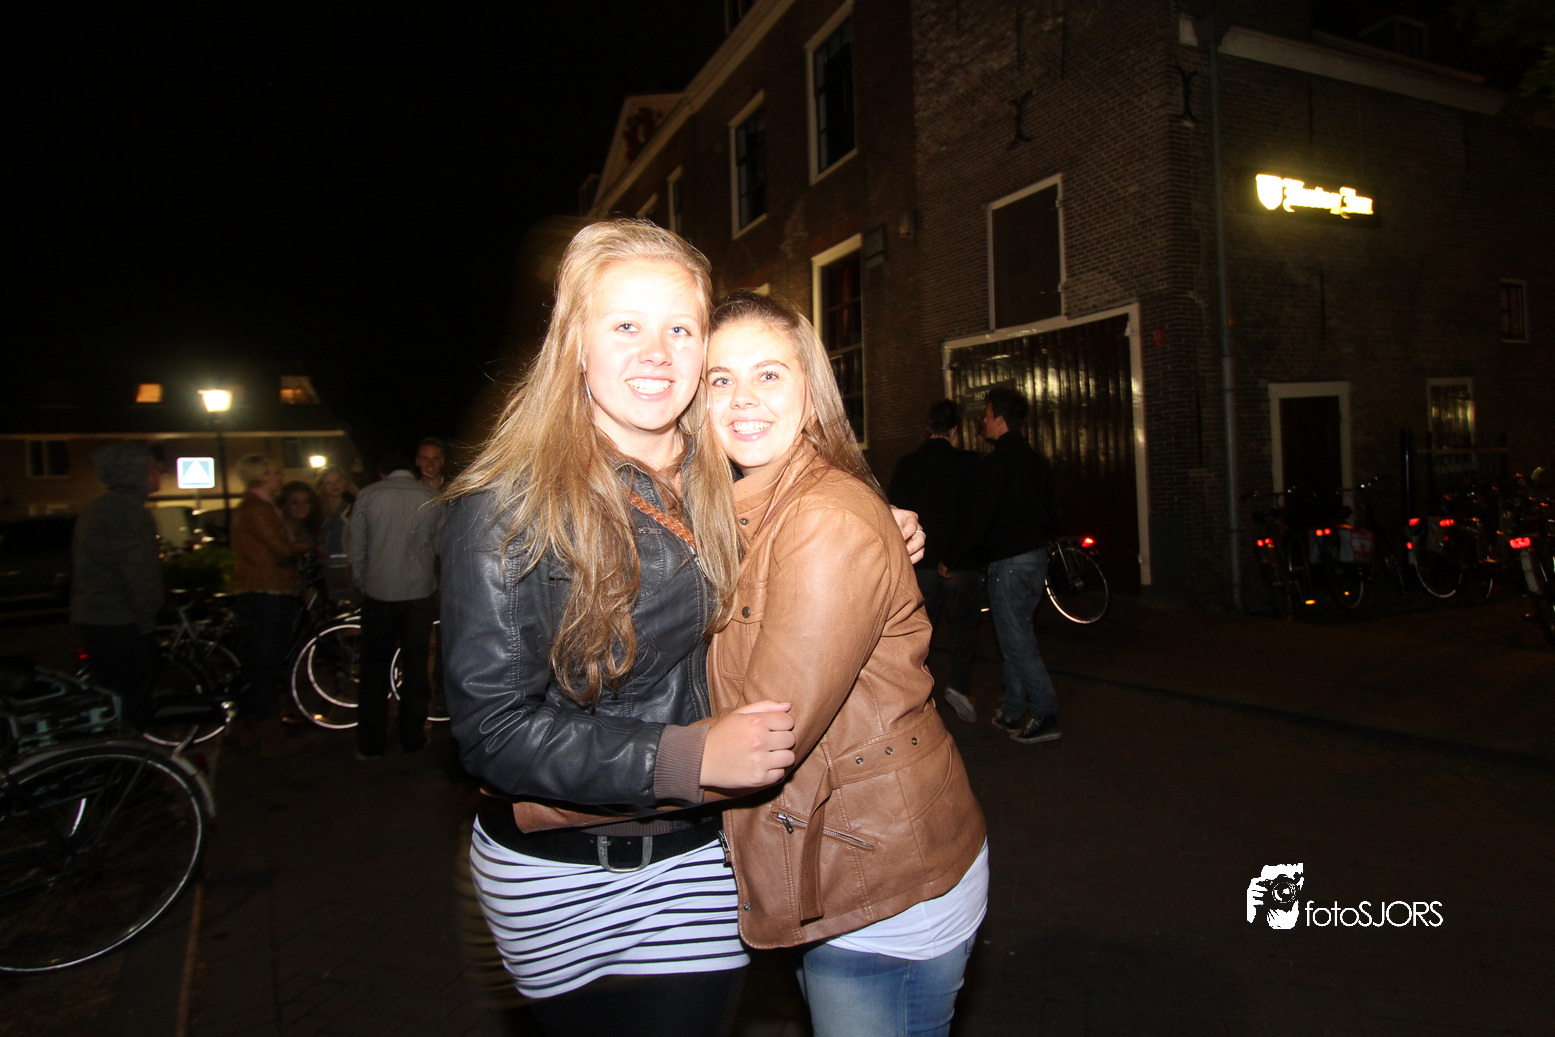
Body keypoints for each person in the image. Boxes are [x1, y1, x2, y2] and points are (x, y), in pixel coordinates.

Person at [438, 219, 800, 1037]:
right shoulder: (505, 506)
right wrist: (684, 756)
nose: (657, 353)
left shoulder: (726, 476)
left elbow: (803, 513)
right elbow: (490, 729)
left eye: (681, 329)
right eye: (626, 325)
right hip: (554, 876)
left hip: (697, 860)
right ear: (575, 343)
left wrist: (874, 526)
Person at [703, 292, 988, 1037]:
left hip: (882, 882)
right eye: (719, 379)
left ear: (811, 389)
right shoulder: (748, 507)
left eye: (768, 374)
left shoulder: (822, 516)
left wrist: (582, 776)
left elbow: (768, 730)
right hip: (841, 866)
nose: (742, 399)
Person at [942, 386, 1063, 744]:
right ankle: (1012, 710)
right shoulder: (1038, 462)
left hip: (1009, 563)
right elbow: (1052, 513)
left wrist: (953, 557)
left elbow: (979, 519)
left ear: (1000, 418)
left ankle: (1045, 711)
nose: (983, 421)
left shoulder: (996, 465)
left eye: (986, 414)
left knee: (1017, 643)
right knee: (1016, 636)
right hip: (1035, 559)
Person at [888, 399, 982, 722]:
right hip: (959, 564)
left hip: (922, 563)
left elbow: (894, 512)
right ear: (955, 429)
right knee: (966, 627)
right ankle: (958, 684)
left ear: (929, 427)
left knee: (918, 634)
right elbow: (977, 516)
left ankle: (916, 695)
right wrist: (955, 557)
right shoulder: (970, 463)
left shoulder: (908, 463)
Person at [347, 454, 441, 759]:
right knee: (415, 667)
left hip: (379, 591)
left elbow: (356, 545)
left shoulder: (368, 495)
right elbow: (439, 545)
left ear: (382, 472)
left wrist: (362, 580)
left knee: (373, 668)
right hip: (419, 592)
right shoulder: (429, 496)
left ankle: (370, 742)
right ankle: (412, 736)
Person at [70, 442, 164, 725]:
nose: (158, 472)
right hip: (119, 620)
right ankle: (127, 749)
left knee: (115, 696)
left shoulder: (102, 508)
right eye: (151, 468)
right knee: (131, 699)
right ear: (133, 473)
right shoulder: (127, 512)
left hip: (98, 616)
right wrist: (147, 620)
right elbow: (137, 571)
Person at [229, 454, 312, 753]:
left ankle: (250, 724)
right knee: (265, 664)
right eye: (276, 472)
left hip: (265, 591)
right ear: (261, 476)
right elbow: (281, 548)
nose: (281, 476)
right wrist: (307, 546)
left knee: (259, 664)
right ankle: (269, 735)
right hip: (267, 593)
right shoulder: (257, 510)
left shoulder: (261, 507)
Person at [314, 466, 358, 603]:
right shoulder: (316, 508)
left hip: (348, 561)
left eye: (338, 481)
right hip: (323, 562)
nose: (335, 486)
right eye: (329, 482)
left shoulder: (355, 505)